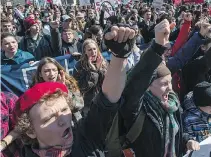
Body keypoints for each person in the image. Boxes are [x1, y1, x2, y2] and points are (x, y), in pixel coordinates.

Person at [13, 25, 136, 157]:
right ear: (31, 131)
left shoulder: (86, 137)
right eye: (48, 118)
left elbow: (106, 99)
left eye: (65, 110)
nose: (63, 120)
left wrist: (119, 57)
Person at [106, 19, 200, 157]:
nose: (169, 88)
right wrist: (157, 46)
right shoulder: (136, 109)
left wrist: (187, 141)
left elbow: (176, 133)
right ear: (147, 86)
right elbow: (134, 84)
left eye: (169, 83)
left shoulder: (173, 104)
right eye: (163, 84)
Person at [31, 57, 84, 122]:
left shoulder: (69, 84)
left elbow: (79, 105)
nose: (51, 74)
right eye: (46, 71)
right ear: (40, 74)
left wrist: (64, 90)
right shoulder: (35, 91)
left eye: (54, 70)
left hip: (74, 125)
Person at [73, 39, 108, 116]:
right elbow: (82, 87)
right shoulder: (79, 66)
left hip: (103, 100)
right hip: (88, 103)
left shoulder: (103, 62)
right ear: (85, 52)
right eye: (89, 50)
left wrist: (100, 69)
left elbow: (107, 82)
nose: (93, 52)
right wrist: (93, 71)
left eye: (94, 49)